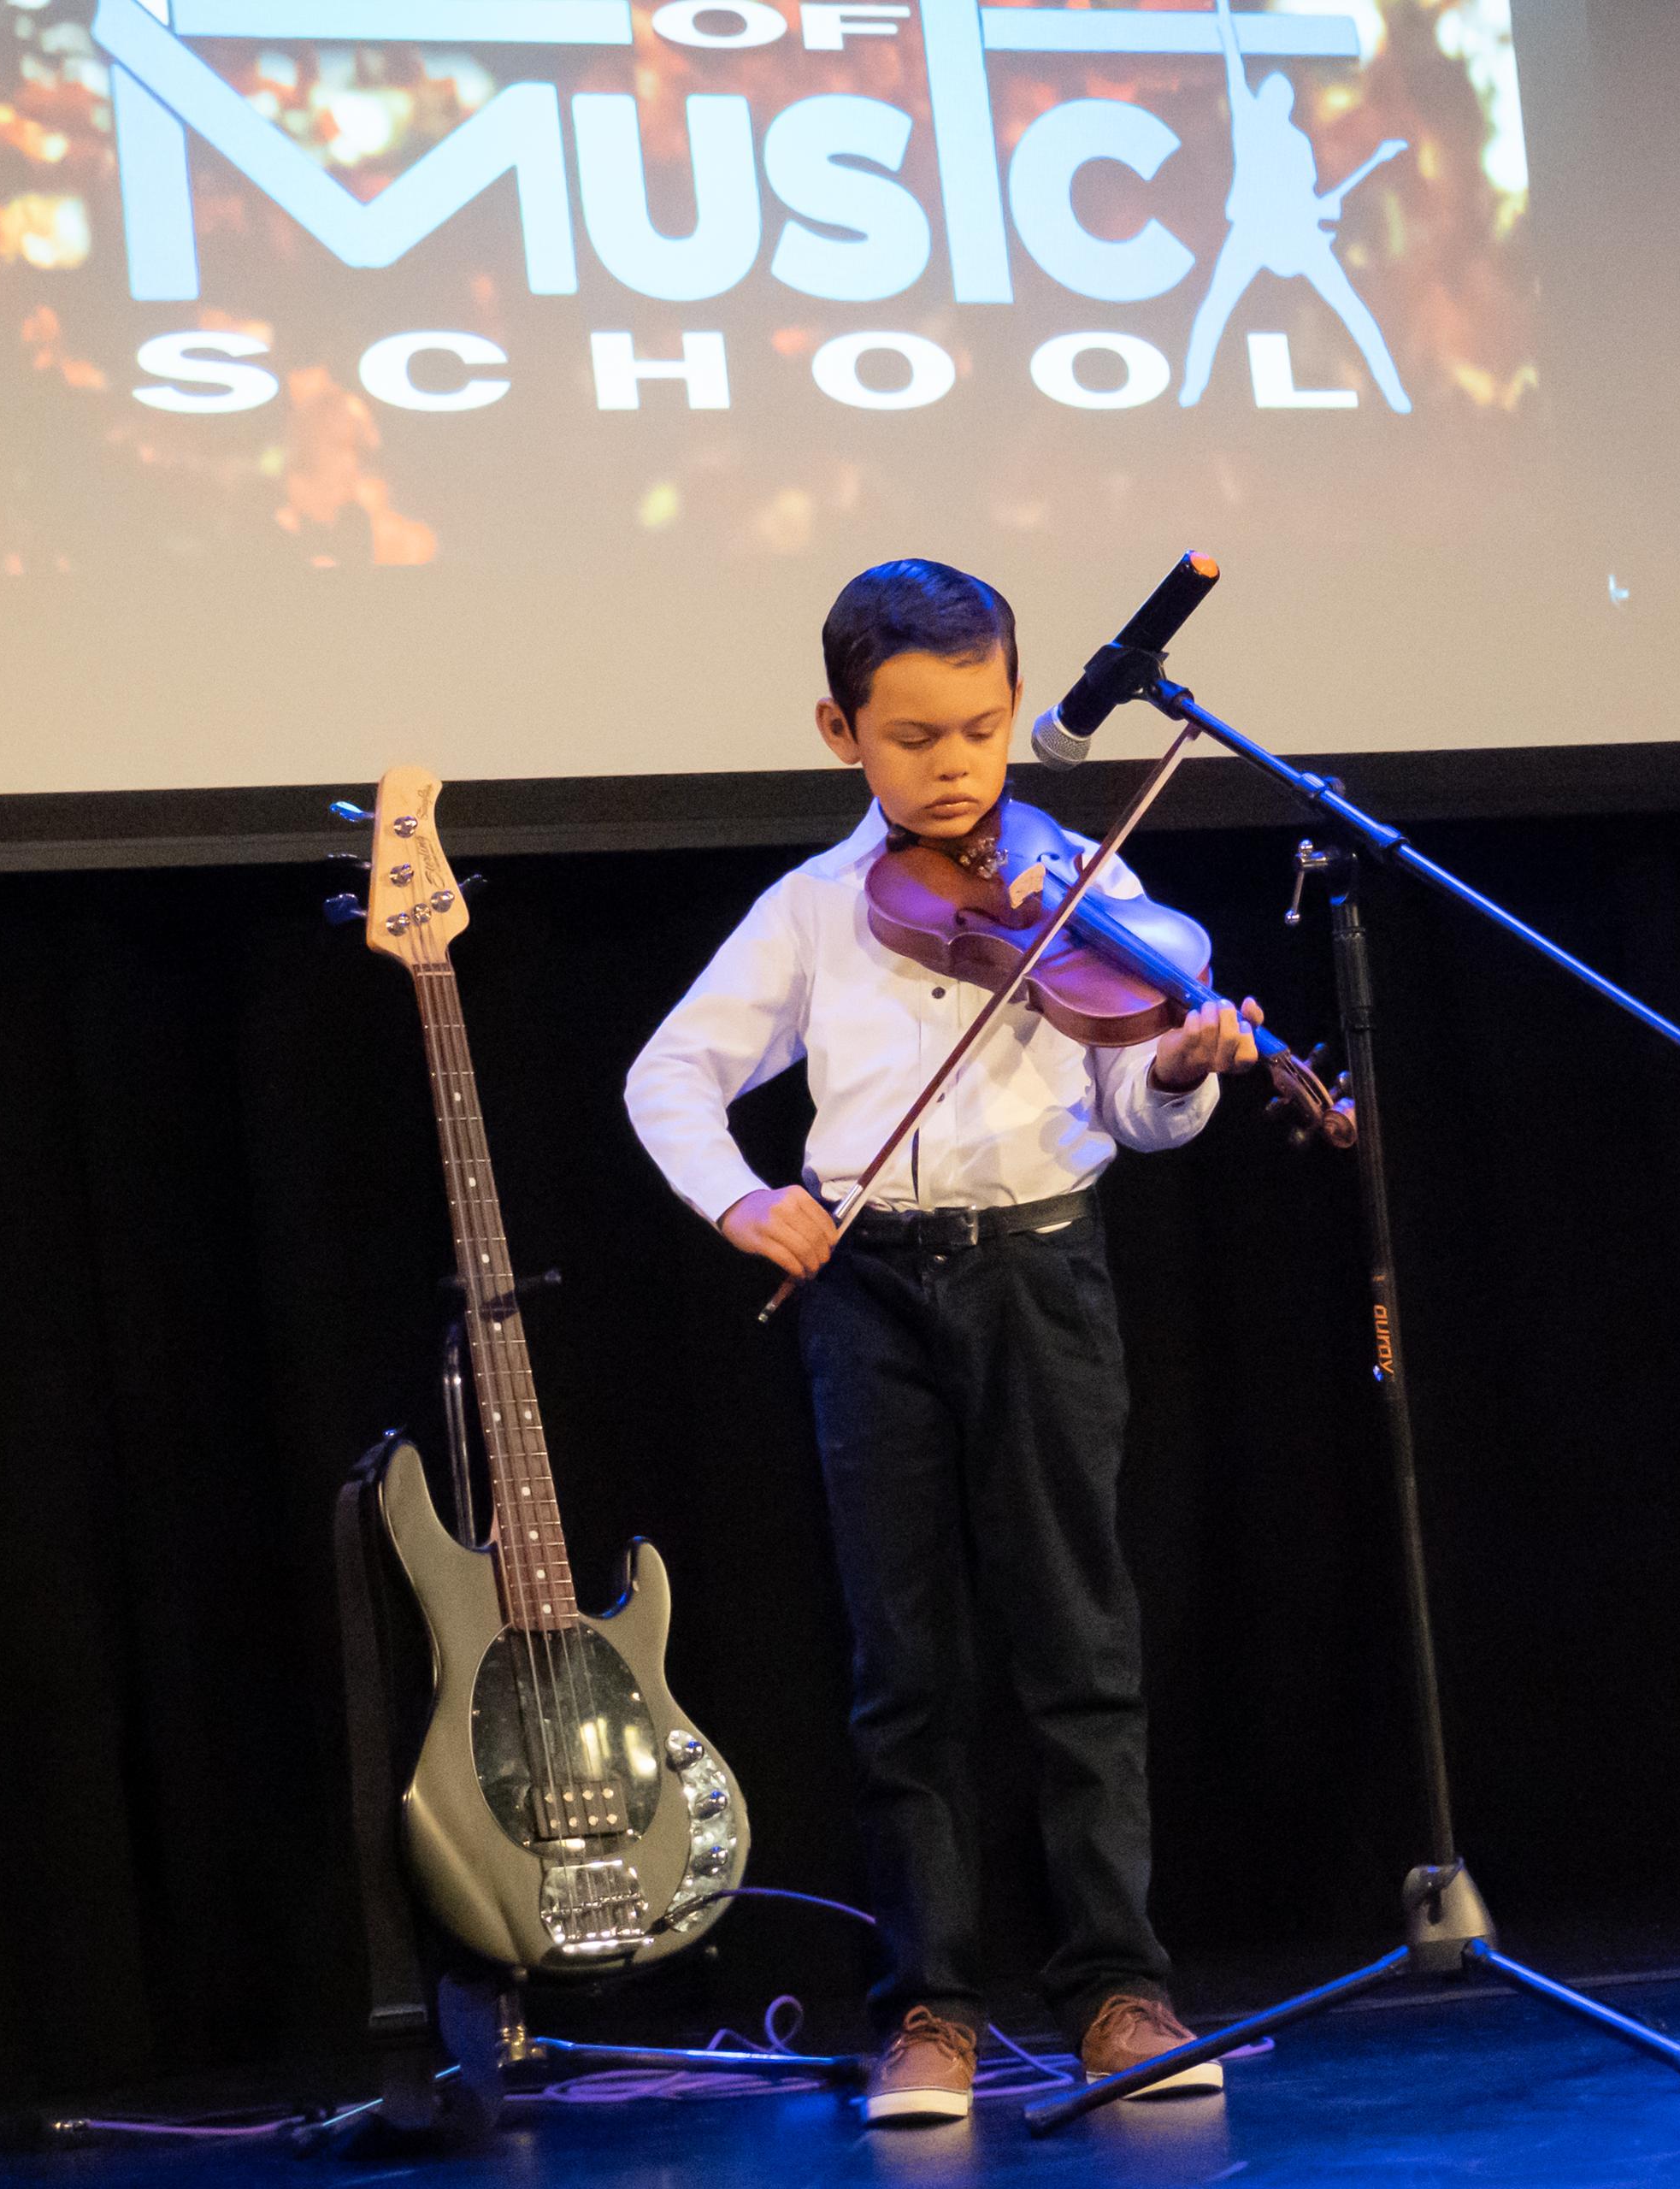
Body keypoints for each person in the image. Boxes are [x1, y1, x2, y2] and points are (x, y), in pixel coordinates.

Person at [625, 559, 1263, 2125]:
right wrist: (741, 1201)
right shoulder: (813, 913)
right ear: (842, 732)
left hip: (1043, 1273)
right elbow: (670, 1078)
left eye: (981, 726)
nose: (958, 764)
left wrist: (1181, 1065)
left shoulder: (1084, 892)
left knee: (1075, 1643)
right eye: (915, 736)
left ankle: (1120, 1986)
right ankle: (929, 2010)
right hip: (872, 1291)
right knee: (904, 1665)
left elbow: (1138, 1109)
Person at [1178, 0, 1411, 412]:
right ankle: (1191, 389)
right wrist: (1224, 14)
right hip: (1252, 233)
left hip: (1297, 237)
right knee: (1215, 305)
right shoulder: (1247, 124)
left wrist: (1320, 211)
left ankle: (1395, 393)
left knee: (1352, 310)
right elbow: (1233, 64)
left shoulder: (1300, 144)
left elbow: (1311, 201)